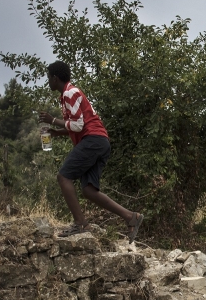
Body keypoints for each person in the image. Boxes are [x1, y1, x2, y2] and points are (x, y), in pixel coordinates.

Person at [39, 61, 143, 240]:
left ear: (55, 78)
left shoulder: (70, 93)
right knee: (88, 190)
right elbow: (79, 123)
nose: (48, 81)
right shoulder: (66, 95)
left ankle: (81, 224)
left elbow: (79, 126)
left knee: (63, 177)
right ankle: (131, 217)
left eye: (48, 77)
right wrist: (57, 132)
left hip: (93, 140)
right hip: (100, 141)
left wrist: (53, 120)